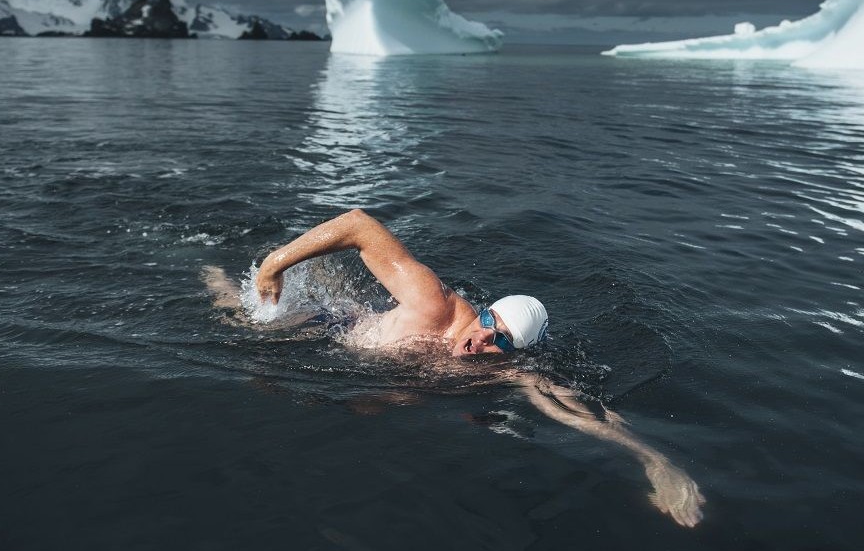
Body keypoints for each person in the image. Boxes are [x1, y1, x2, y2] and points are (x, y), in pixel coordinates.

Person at [204, 208, 705, 527]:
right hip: (330, 327)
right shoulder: (434, 304)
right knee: (248, 317)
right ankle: (212, 272)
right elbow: (358, 225)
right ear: (483, 310)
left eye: (501, 340)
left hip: (363, 371)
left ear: (515, 352)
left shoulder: (506, 372)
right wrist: (276, 262)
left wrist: (655, 461)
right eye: (489, 322)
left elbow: (577, 413)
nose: (482, 338)